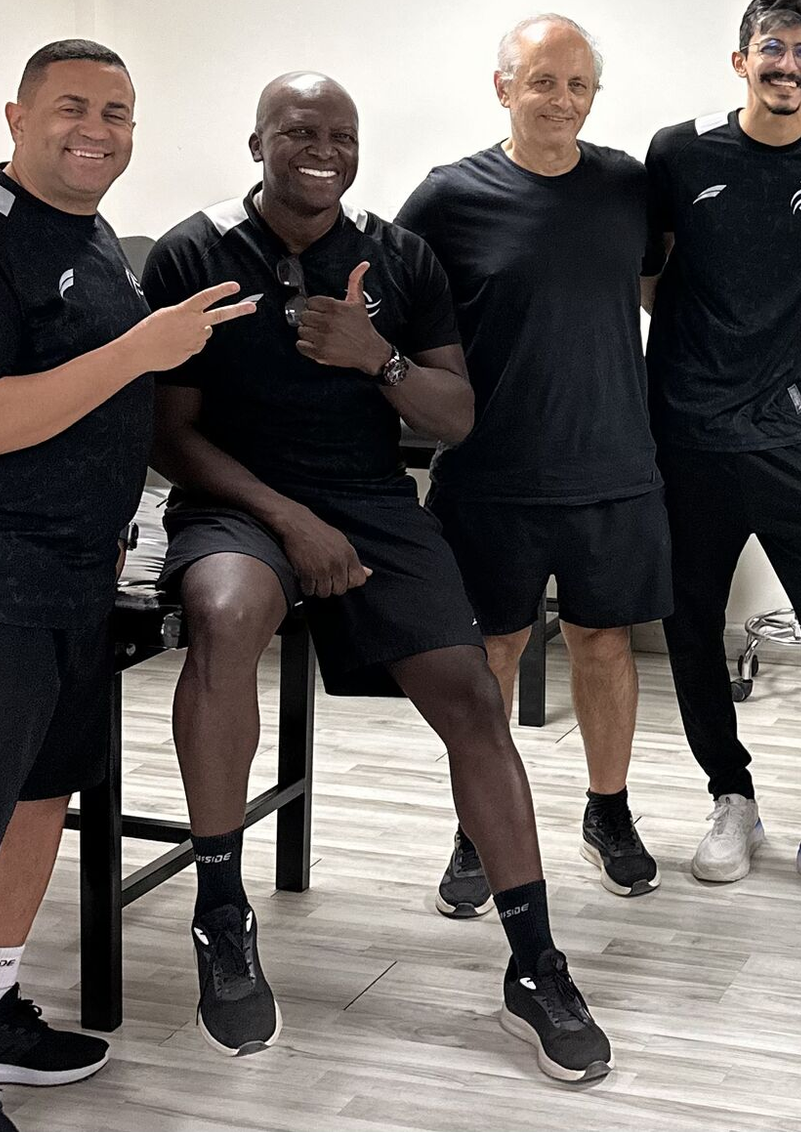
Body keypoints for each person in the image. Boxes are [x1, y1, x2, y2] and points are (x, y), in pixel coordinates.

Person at [143, 72, 611, 1079]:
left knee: (473, 696)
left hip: (371, 503)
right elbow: (168, 435)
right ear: (255, 139)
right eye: (297, 130)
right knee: (225, 617)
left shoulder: (398, 256)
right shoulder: (194, 250)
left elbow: (455, 415)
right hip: (237, 501)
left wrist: (376, 358)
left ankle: (533, 963)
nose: (322, 148)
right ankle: (222, 913)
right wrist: (286, 518)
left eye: (341, 134)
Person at [0, 39, 251, 1131]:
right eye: (74, 107)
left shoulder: (91, 239)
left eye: (120, 112)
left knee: (34, 805)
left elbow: (82, 414)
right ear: (15, 115)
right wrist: (143, 349)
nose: (99, 129)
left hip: (69, 579)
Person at [398, 14, 668, 909]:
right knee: (493, 652)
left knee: (605, 642)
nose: (561, 100)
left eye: (578, 85)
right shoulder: (448, 197)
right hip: (491, 474)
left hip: (614, 465)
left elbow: (662, 284)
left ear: (596, 94)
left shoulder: (627, 185)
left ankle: (608, 810)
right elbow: (391, 309)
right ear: (504, 86)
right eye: (543, 82)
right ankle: (478, 834)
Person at [641, 0, 801, 909]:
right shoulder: (678, 151)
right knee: (689, 621)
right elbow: (644, 273)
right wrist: (713, 345)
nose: (787, 65)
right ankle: (730, 796)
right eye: (771, 49)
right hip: (684, 434)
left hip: (786, 433)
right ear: (739, 58)